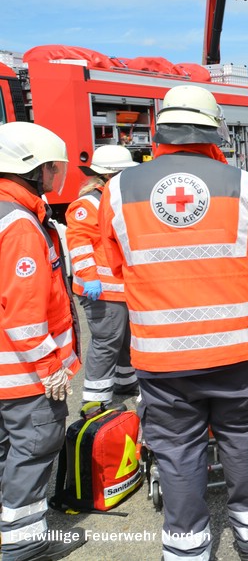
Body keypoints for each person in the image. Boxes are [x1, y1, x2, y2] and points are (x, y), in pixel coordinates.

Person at [98, 86, 248, 561]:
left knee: (176, 450)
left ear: (158, 131)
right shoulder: (245, 185)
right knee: (241, 436)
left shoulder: (117, 189)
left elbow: (116, 269)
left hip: (162, 355)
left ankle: (185, 548)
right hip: (236, 349)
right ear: (214, 130)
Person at [0, 122, 87, 560]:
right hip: (20, 372)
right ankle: (24, 545)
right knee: (33, 449)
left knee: (6, 453)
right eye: (54, 169)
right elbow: (25, 311)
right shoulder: (18, 224)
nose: (58, 177)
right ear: (33, 169)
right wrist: (49, 367)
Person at [66, 144, 139, 408]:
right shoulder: (87, 204)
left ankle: (124, 381)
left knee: (124, 339)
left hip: (119, 288)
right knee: (107, 342)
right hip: (102, 290)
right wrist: (89, 277)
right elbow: (79, 245)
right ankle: (95, 402)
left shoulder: (112, 198)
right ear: (109, 174)